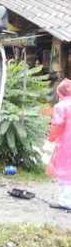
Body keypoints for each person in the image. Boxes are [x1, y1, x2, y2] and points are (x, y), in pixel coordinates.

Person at [47, 78, 71, 210]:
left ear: (59, 92)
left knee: (65, 171)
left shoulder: (61, 106)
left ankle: (65, 201)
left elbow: (57, 125)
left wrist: (51, 138)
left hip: (67, 144)